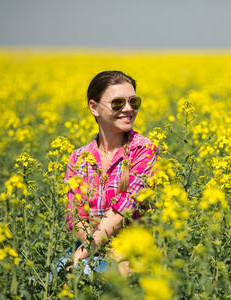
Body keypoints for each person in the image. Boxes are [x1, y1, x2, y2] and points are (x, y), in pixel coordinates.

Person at [63, 71, 159, 276]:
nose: (128, 109)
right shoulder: (78, 158)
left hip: (131, 256)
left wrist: (81, 255)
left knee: (87, 275)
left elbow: (123, 209)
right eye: (117, 103)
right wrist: (99, 249)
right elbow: (74, 216)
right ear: (94, 108)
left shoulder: (143, 150)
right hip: (90, 252)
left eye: (134, 101)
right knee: (57, 277)